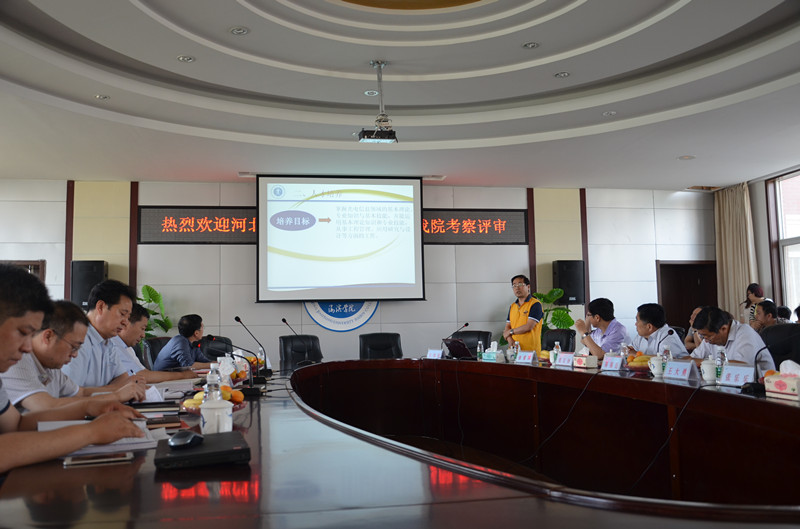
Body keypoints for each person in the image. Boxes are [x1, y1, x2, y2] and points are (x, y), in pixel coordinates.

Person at [0, 264, 143, 474]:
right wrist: (91, 432)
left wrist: (89, 407)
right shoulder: (18, 364)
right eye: (23, 332)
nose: (28, 347)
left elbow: (17, 425)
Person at [1, 300, 146, 413]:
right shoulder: (18, 361)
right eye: (74, 347)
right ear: (48, 336)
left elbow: (81, 392)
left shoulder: (51, 366)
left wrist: (120, 391)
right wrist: (116, 396)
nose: (75, 354)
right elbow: (47, 407)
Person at [61, 280, 146, 389]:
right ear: (101, 307)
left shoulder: (108, 341)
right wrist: (117, 392)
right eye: (122, 314)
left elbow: (122, 378)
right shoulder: (77, 340)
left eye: (128, 317)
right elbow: (71, 393)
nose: (125, 322)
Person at [112, 303, 197, 382]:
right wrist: (182, 375)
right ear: (126, 323)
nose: (143, 335)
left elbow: (144, 373)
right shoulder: (114, 345)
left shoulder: (127, 348)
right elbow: (142, 376)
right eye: (142, 328)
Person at [690, 306, 775, 377]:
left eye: (708, 336)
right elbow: (690, 359)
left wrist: (707, 363)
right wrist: (703, 363)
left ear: (723, 328)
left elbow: (742, 367)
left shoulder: (745, 333)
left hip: (763, 386)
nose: (706, 341)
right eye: (703, 336)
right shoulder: (710, 337)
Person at [502, 275, 544, 353]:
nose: (517, 288)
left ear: (528, 287)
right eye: (514, 285)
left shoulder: (535, 304)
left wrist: (510, 332)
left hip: (530, 352)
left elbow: (528, 326)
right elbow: (507, 326)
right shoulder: (512, 306)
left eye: (520, 284)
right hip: (514, 351)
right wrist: (510, 340)